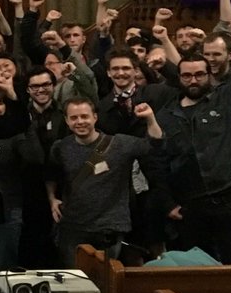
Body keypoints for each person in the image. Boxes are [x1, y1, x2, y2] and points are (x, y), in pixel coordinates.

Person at [157, 13, 231, 263]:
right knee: (196, 267)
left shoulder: (228, 98)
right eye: (186, 75)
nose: (193, 80)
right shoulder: (165, 115)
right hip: (190, 203)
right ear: (178, 78)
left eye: (199, 75)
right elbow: (157, 161)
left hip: (230, 196)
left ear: (209, 75)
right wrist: (167, 202)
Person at [45, 99, 164, 267]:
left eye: (84, 116)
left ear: (95, 117)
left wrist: (150, 118)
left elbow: (155, 145)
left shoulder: (120, 144)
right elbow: (51, 175)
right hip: (73, 226)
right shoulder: (60, 148)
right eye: (74, 118)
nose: (80, 122)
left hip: (109, 227)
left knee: (106, 281)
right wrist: (52, 199)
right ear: (66, 121)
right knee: (75, 281)